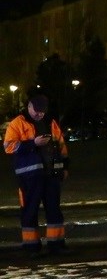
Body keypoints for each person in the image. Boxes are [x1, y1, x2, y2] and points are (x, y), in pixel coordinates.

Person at [4, 94, 69, 256]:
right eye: (37, 111)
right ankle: (31, 247)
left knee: (54, 209)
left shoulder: (50, 123)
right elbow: (9, 147)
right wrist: (33, 143)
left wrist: (65, 167)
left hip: (51, 174)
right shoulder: (17, 123)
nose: (40, 114)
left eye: (42, 112)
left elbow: (61, 145)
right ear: (29, 107)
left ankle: (56, 245)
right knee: (30, 210)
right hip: (29, 176)